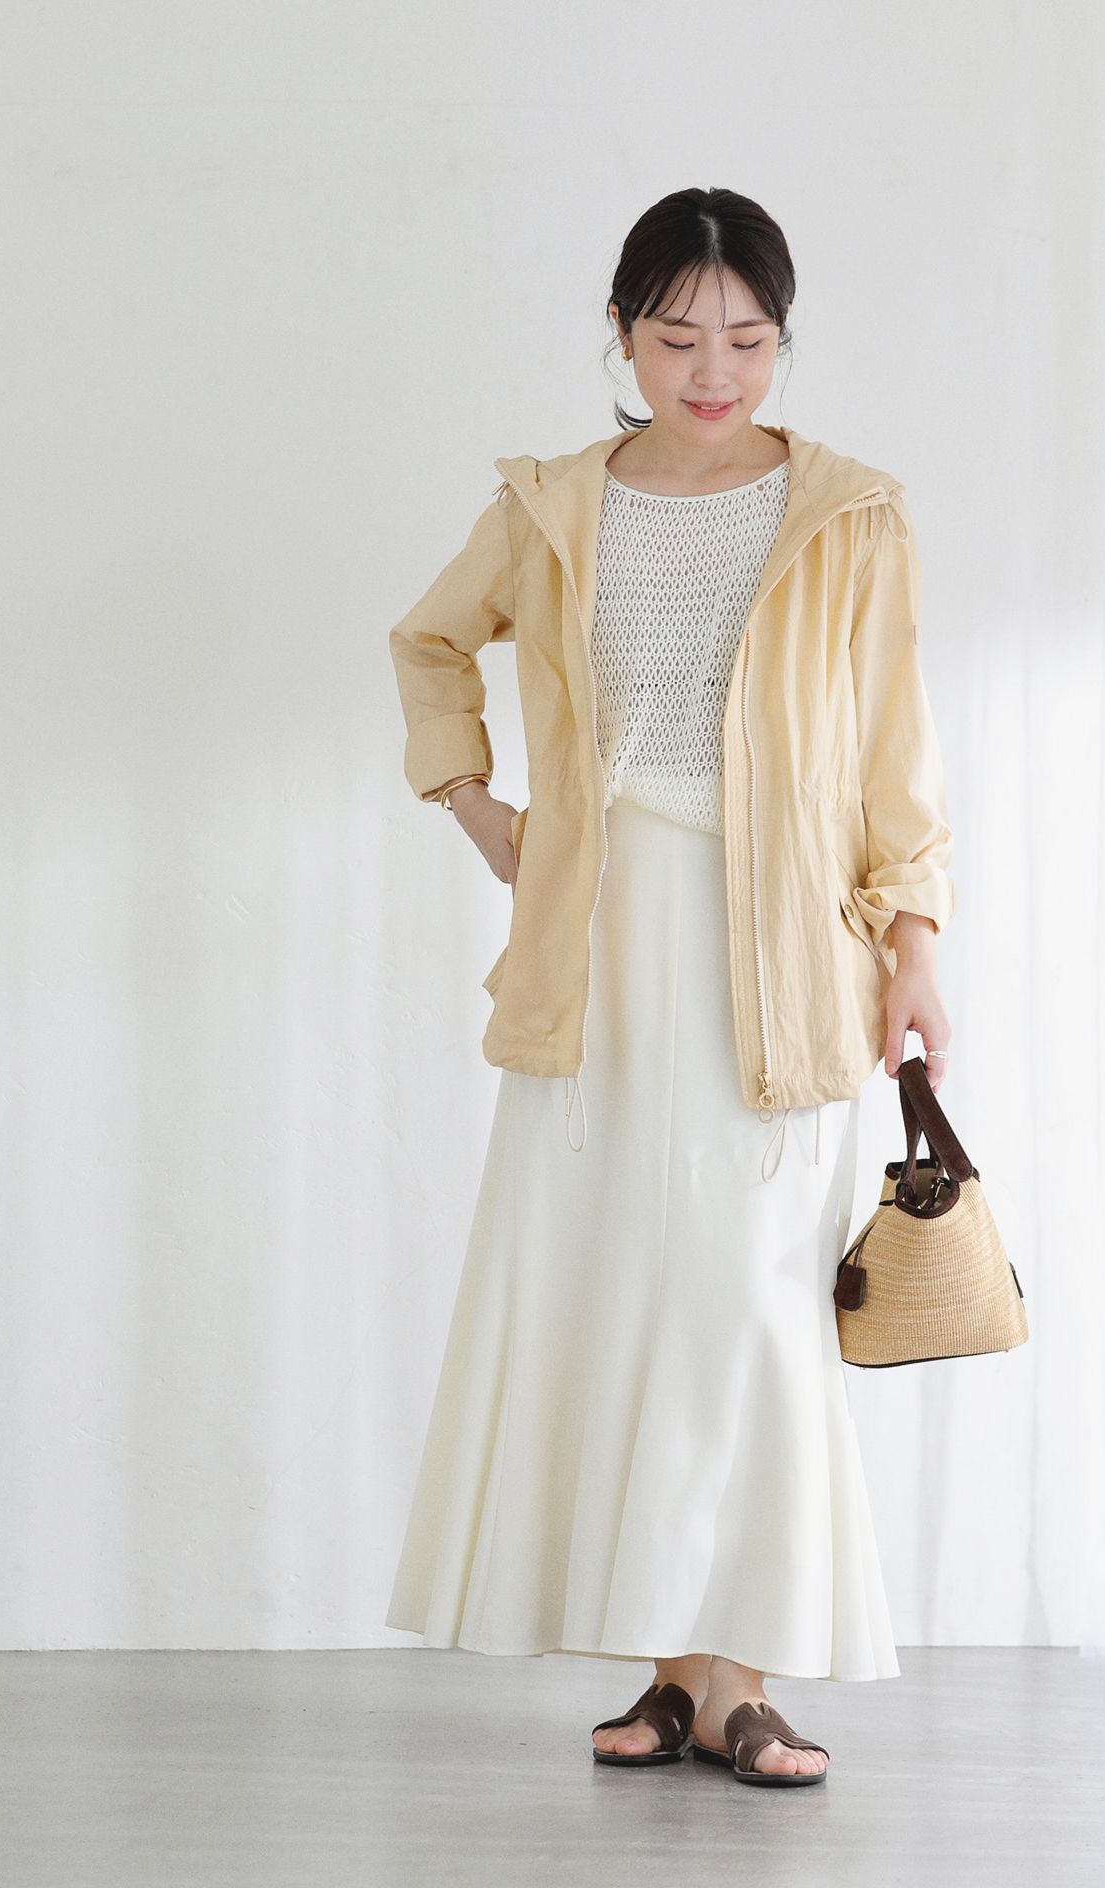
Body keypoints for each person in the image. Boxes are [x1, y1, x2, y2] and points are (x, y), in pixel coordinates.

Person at [383, 187, 956, 1787]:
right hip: (599, 948)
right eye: (679, 337)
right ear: (624, 335)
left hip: (780, 954)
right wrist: (479, 807)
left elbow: (897, 751)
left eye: (749, 340)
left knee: (750, 1304)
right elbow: (429, 643)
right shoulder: (555, 504)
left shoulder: (851, 514)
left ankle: (743, 1676)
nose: (714, 372)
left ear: (783, 340)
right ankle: (673, 1675)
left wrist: (915, 942)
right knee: (632, 1294)